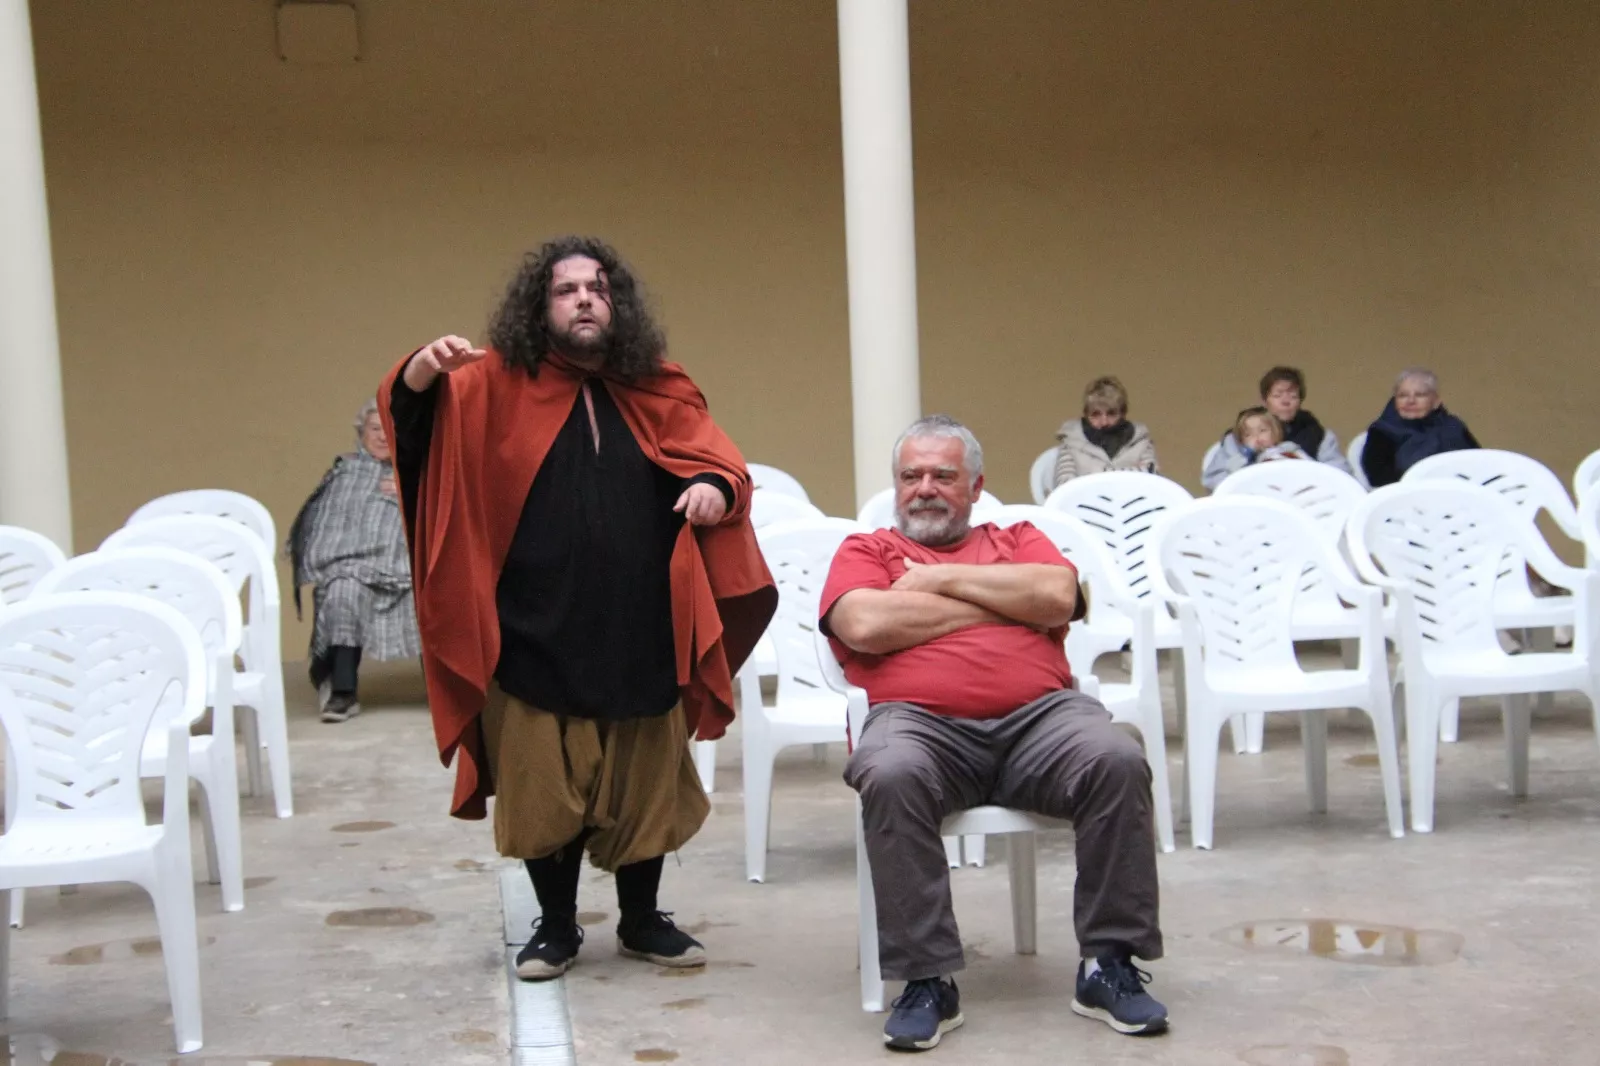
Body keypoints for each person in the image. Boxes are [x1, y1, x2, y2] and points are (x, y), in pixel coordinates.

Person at [377, 236, 776, 983]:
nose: (585, 299)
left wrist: (714, 489)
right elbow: (416, 427)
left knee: (646, 778)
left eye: (598, 288)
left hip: (642, 620)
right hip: (531, 622)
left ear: (617, 305)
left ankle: (641, 919)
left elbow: (720, 462)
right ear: (539, 307)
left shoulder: (658, 385)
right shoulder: (490, 383)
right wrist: (421, 370)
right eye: (567, 290)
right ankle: (556, 926)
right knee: (540, 783)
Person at [822, 414, 1167, 1052]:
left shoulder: (1018, 537)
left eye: (943, 475)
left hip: (1041, 720)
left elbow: (1058, 596)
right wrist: (1001, 606)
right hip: (919, 725)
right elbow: (865, 625)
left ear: (976, 486)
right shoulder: (867, 551)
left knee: (1116, 758)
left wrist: (936, 580)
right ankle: (927, 981)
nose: (925, 488)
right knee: (890, 771)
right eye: (911, 476)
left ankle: (1108, 966)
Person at [287, 399, 421, 723]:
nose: (382, 436)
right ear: (362, 433)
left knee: (439, 590)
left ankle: (449, 691)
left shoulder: (418, 473)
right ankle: (343, 692)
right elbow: (326, 525)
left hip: (407, 566)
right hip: (351, 567)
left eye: (390, 429)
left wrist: (411, 492)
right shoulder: (344, 473)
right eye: (375, 428)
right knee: (342, 589)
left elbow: (444, 518)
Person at [1202, 366, 1350, 490]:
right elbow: (1213, 479)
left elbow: (1341, 474)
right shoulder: (1240, 436)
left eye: (1293, 396)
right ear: (1264, 401)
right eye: (1277, 395)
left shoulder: (1318, 435)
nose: (1286, 401)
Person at [1360, 367, 1479, 487]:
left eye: (1420, 395)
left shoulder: (1453, 426)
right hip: (1408, 494)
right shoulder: (1382, 430)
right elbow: (1377, 477)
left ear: (1436, 401)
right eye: (1402, 396)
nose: (1410, 401)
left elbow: (1478, 463)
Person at [1051, 376, 1160, 488]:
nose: (1104, 422)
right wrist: (1132, 471)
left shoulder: (1141, 440)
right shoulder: (1070, 441)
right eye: (1096, 414)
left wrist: (1090, 475)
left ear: (1123, 413)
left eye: (1111, 414)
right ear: (1086, 414)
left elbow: (1152, 479)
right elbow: (1064, 485)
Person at [1201, 407, 1309, 486]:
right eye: (1248, 435)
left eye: (1262, 430)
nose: (1256, 437)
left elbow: (1310, 469)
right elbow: (1232, 480)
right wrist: (1245, 459)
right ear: (1241, 441)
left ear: (1275, 431)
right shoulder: (1242, 459)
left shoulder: (1290, 450)